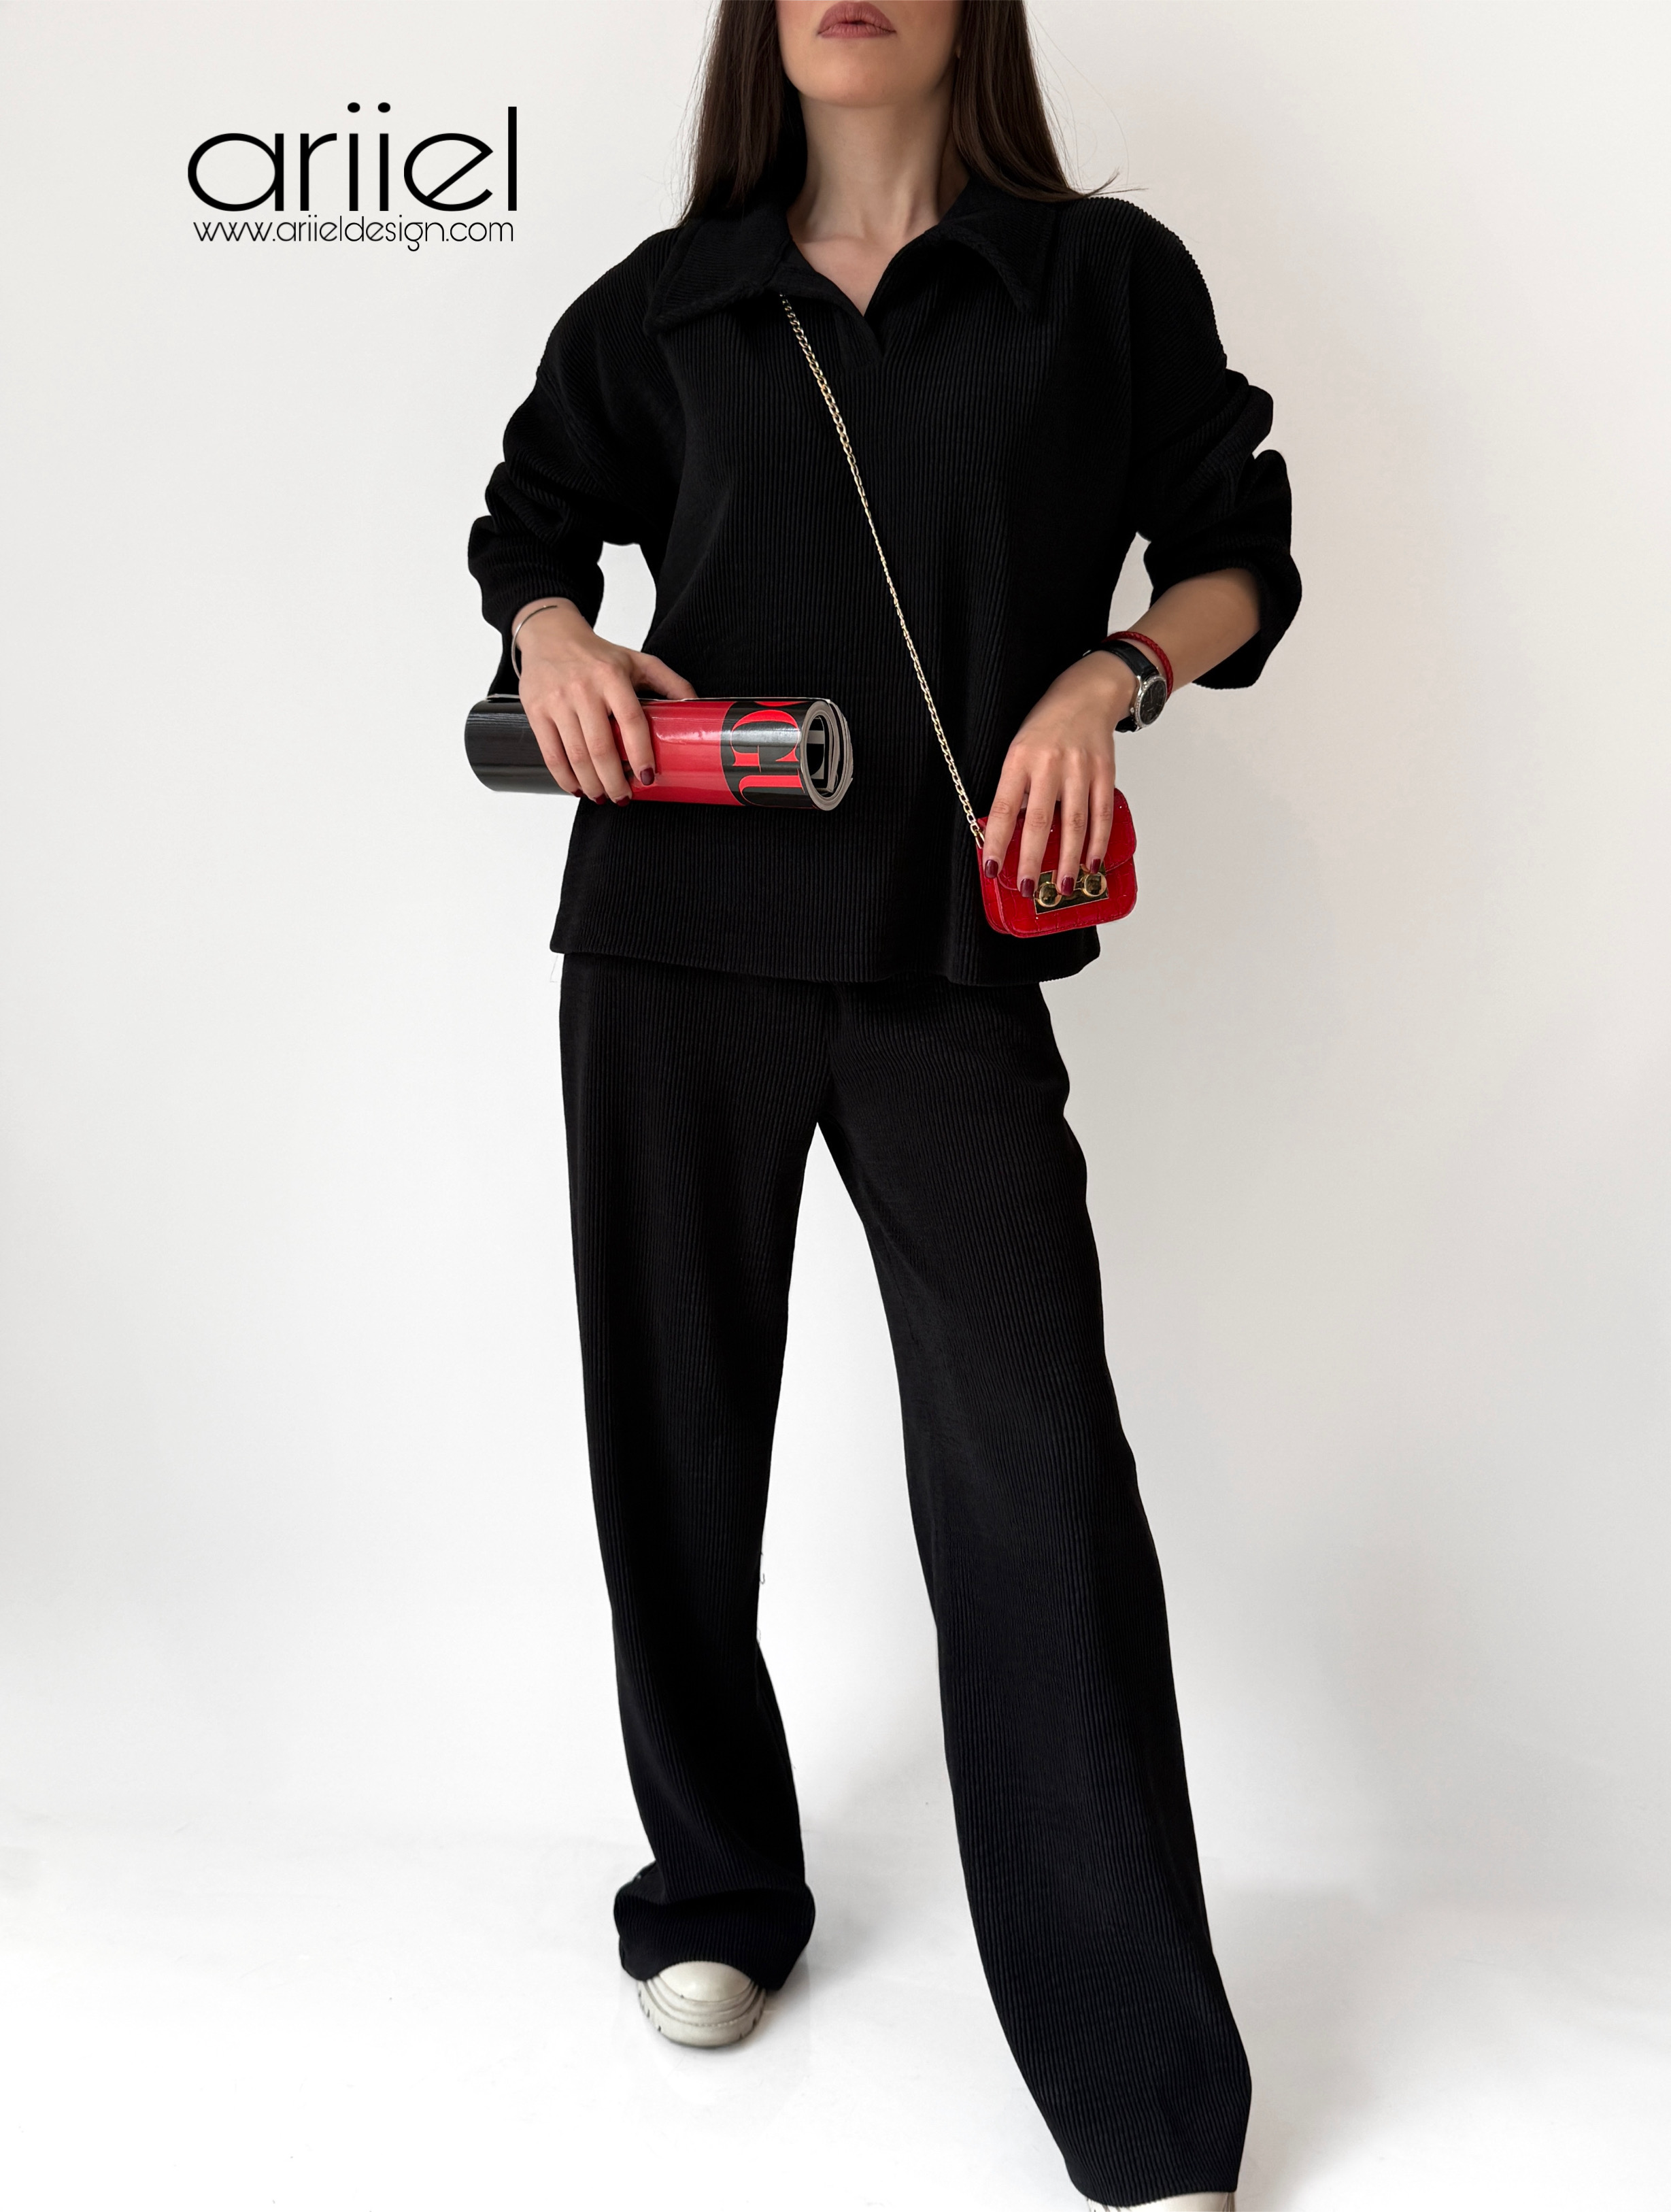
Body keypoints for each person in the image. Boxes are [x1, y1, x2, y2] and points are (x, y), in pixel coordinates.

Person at [467, 4, 1299, 2205]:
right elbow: (529, 515)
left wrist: (1108, 675)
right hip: (673, 928)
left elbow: (1235, 551)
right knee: (673, 1430)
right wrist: (553, 629)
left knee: (1038, 1474)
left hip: (945, 946)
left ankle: (1139, 2085)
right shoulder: (668, 301)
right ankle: (715, 1890)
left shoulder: (1093, 277)